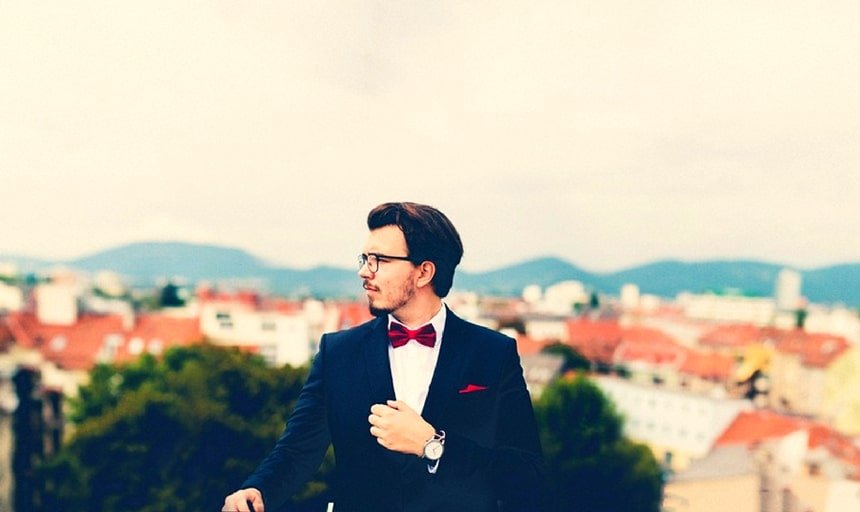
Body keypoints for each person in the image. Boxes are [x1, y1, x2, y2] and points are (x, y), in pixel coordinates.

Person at [223, 202, 543, 512]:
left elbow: (525, 474)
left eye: (379, 260)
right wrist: (256, 490)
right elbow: (297, 451)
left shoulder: (493, 353)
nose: (365, 271)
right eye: (364, 258)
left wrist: (433, 446)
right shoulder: (338, 353)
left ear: (423, 272)